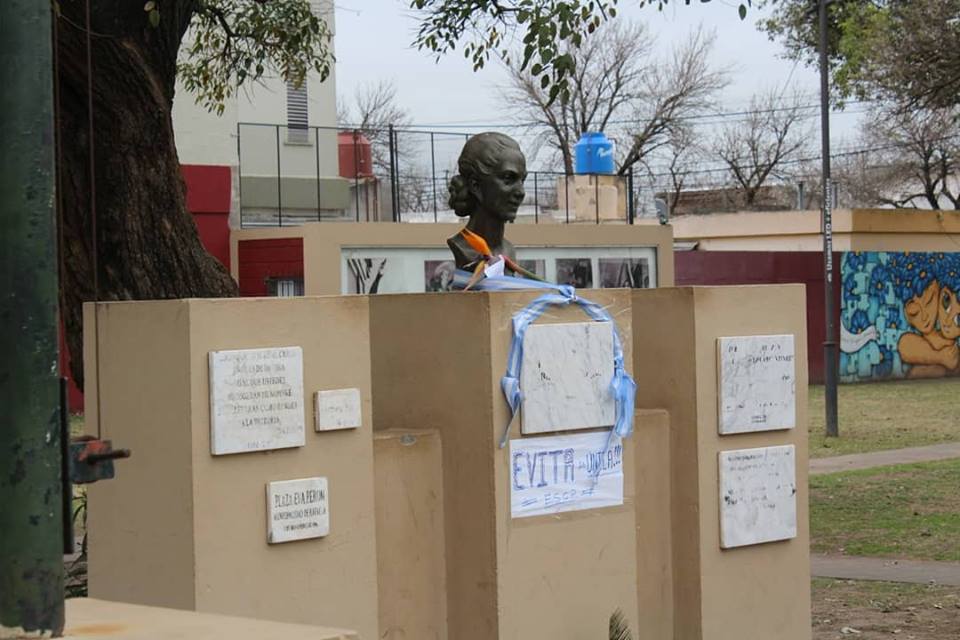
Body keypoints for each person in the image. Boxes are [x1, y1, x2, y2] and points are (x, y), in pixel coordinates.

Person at [446, 132, 527, 273]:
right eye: (508, 179)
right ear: (475, 185)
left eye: (522, 181)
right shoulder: (464, 249)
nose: (521, 192)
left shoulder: (508, 250)